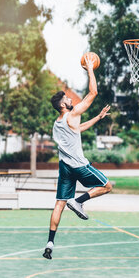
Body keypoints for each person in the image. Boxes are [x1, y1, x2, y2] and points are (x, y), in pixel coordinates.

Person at [43, 55, 112, 259]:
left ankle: (49, 244)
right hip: (78, 165)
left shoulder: (59, 123)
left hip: (64, 167)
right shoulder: (71, 114)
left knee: (59, 203)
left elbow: (78, 129)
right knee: (107, 186)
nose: (70, 99)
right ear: (63, 105)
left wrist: (97, 117)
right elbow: (93, 92)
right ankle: (79, 201)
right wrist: (90, 68)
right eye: (67, 99)